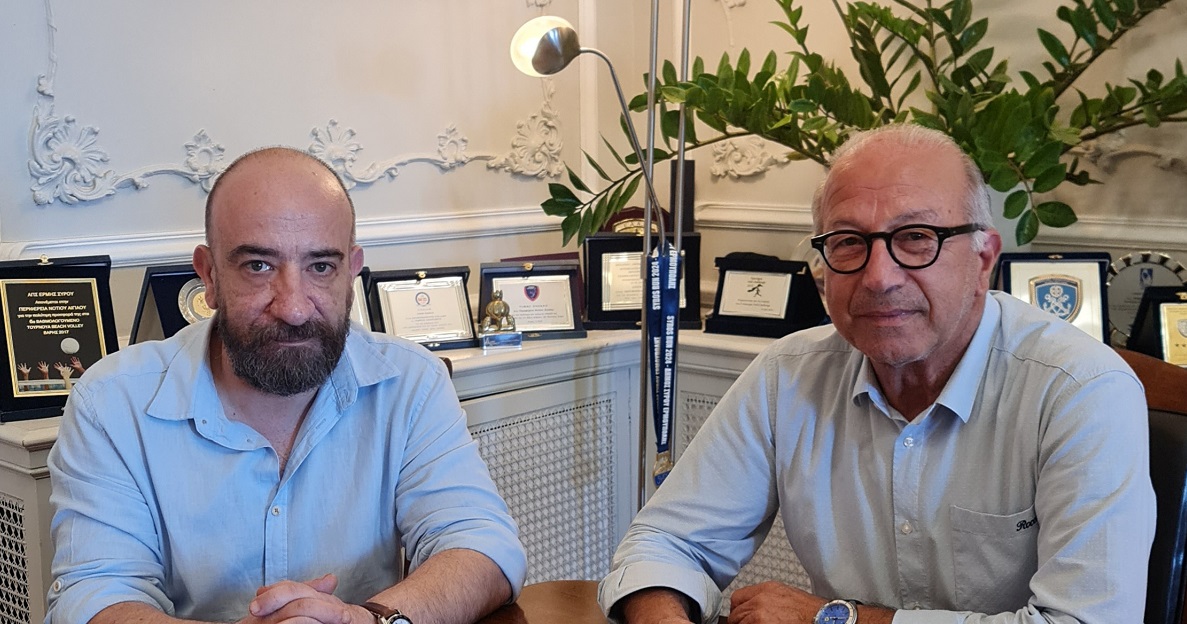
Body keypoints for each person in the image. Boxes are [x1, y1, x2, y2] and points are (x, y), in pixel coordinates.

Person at [599, 125, 1156, 624]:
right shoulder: (786, 377)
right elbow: (664, 544)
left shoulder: (1081, 392)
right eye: (849, 242)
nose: (878, 277)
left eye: (916, 237)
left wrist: (838, 620)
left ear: (983, 259)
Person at [46, 147, 527, 624]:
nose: (294, 308)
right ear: (209, 276)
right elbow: (91, 598)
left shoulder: (411, 382)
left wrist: (366, 621)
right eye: (259, 266)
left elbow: (482, 544)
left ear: (351, 272)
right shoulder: (111, 404)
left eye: (321, 267)